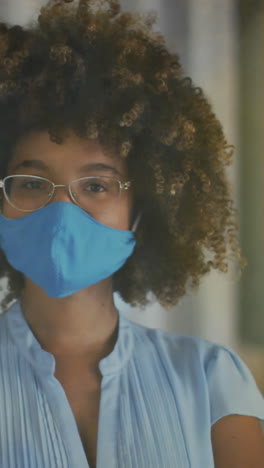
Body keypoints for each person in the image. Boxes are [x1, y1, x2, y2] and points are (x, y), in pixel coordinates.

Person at [0, 0, 263, 467]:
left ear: (142, 209)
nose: (62, 209)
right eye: (33, 183)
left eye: (97, 185)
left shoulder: (209, 379)